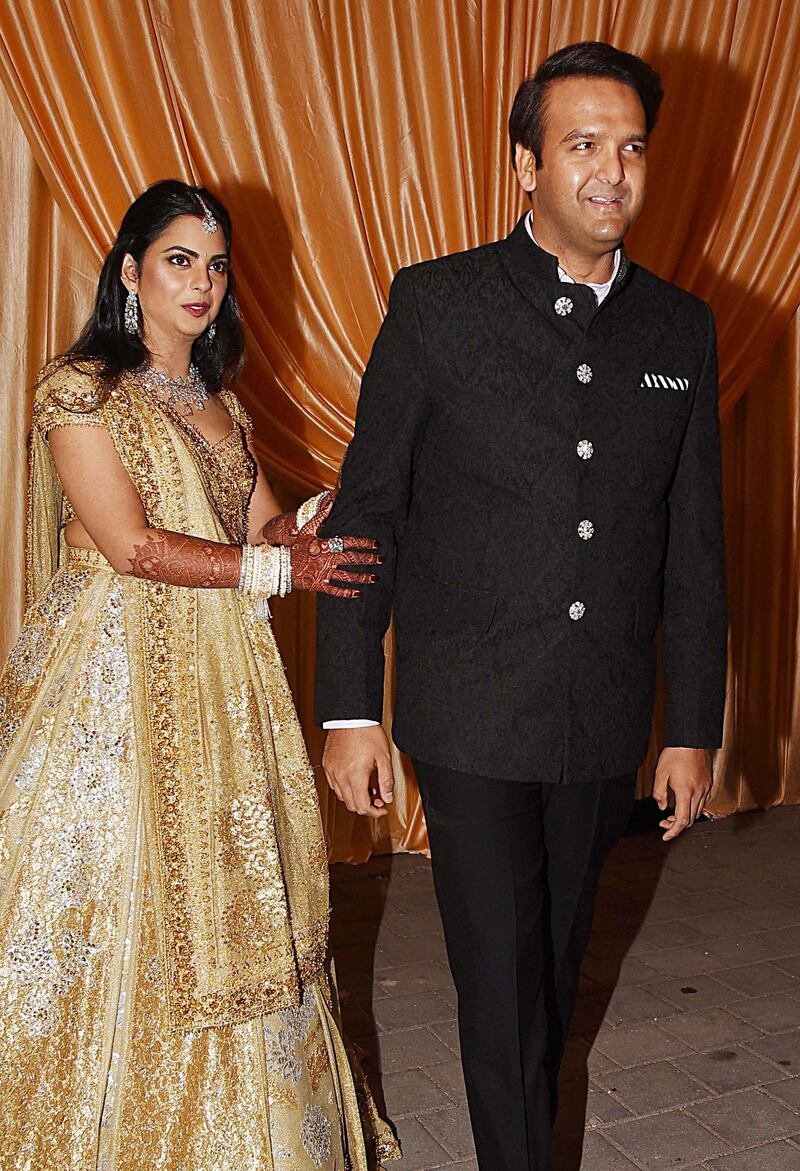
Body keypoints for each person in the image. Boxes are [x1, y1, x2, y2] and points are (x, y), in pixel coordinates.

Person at [316, 41, 727, 1171]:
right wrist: (350, 704)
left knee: (546, 980)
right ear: (523, 167)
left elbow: (693, 551)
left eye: (630, 145)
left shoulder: (679, 329)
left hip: (598, 722)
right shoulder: (438, 304)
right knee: (500, 990)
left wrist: (689, 726)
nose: (611, 170)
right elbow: (366, 518)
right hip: (468, 714)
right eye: (581, 144)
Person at [0, 179, 398, 1170]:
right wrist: (277, 565)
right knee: (109, 896)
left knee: (238, 898)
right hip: (111, 687)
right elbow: (129, 545)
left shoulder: (219, 403)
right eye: (180, 259)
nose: (203, 282)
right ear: (130, 272)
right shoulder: (78, 389)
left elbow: (261, 526)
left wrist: (330, 510)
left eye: (215, 265)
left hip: (221, 682)